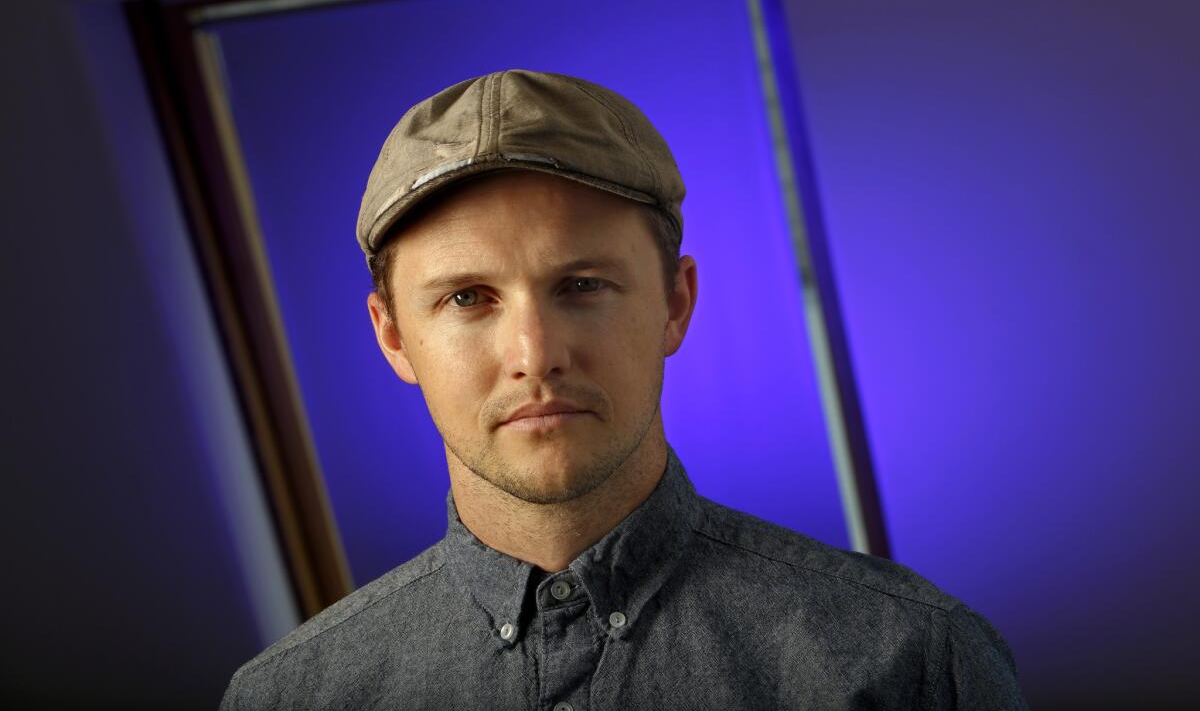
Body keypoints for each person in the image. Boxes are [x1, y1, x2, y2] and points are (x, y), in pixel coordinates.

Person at [220, 70, 1029, 710]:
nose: (535, 355)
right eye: (468, 298)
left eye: (581, 285)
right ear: (393, 335)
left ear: (675, 303)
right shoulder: (286, 698)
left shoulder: (910, 661)